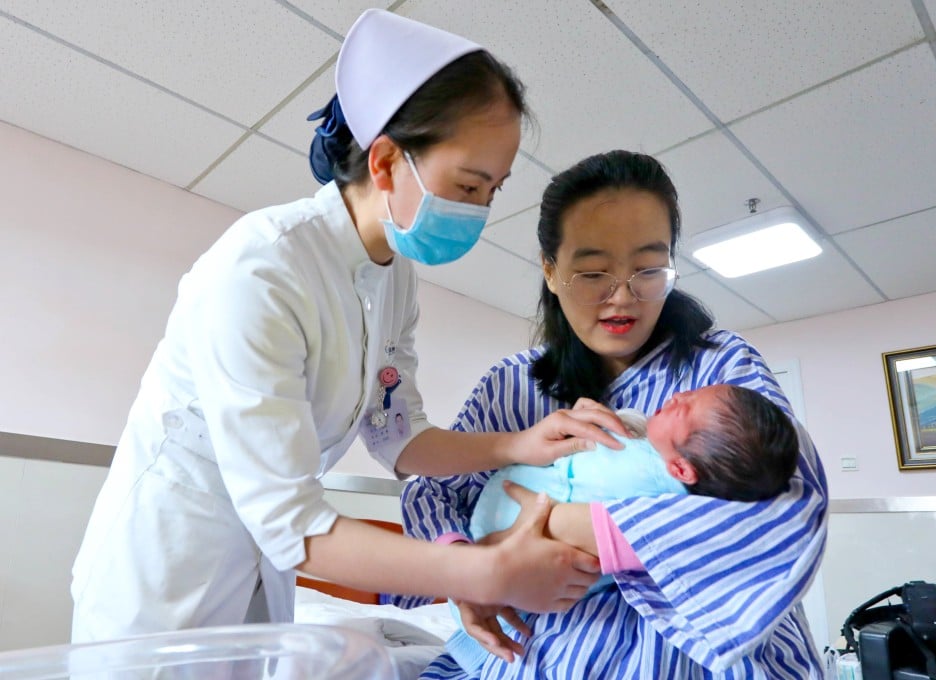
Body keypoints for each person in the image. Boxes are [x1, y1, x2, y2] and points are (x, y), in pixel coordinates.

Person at [70, 9, 628, 644]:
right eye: (469, 185)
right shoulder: (262, 267)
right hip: (165, 575)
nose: (479, 212)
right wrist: (483, 571)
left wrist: (521, 444)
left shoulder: (394, 276)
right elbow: (291, 520)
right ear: (387, 162)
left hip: (265, 575)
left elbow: (399, 435)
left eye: (493, 191)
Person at [399, 149, 829, 678]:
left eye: (649, 268)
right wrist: (464, 570)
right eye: (594, 271)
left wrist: (561, 526)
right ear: (551, 272)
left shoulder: (722, 366)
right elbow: (432, 491)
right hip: (529, 652)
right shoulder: (510, 384)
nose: (622, 296)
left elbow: (788, 498)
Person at [445, 383, 801, 674]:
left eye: (686, 410)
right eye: (690, 394)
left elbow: (589, 461)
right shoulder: (664, 469)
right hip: (498, 576)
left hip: (511, 564)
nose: (677, 397)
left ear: (682, 470)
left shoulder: (647, 473)